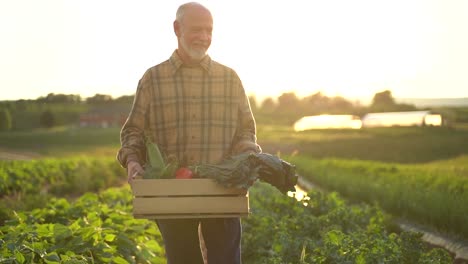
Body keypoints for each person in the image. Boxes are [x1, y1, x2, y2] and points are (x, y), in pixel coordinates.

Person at [117, 2, 261, 263]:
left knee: (225, 259)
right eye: (196, 30)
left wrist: (248, 155)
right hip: (171, 191)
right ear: (176, 28)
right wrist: (133, 160)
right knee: (183, 258)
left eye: (209, 30)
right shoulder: (153, 79)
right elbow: (133, 131)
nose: (204, 37)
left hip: (223, 188)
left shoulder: (229, 79)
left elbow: (246, 132)